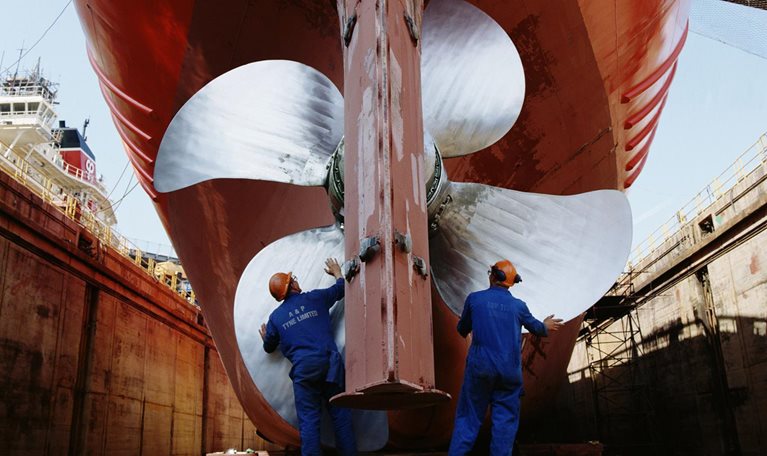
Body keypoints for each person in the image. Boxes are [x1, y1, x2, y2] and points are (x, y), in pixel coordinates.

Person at [448, 259, 564, 456]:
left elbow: (462, 329)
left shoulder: (475, 299)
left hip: (480, 370)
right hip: (510, 374)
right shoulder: (519, 306)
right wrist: (545, 325)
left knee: (469, 418)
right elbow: (538, 329)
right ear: (511, 282)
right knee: (505, 425)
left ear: (494, 276)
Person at [259, 258, 357, 456]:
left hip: (304, 371)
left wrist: (265, 338)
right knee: (341, 416)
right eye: (293, 279)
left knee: (309, 422)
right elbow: (341, 289)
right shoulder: (314, 298)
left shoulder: (275, 318)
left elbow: (269, 347)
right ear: (292, 285)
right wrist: (337, 272)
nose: (296, 280)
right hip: (329, 364)